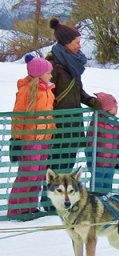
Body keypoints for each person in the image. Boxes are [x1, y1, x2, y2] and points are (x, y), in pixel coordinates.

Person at [45, 18, 99, 176]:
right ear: (66, 44)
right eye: (76, 42)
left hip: (73, 125)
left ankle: (60, 201)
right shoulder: (52, 66)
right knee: (54, 170)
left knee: (67, 168)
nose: (79, 45)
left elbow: (77, 90)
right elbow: (46, 95)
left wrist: (91, 101)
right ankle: (49, 200)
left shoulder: (72, 64)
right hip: (58, 128)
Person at [8, 56, 55, 217]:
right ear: (39, 74)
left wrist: (51, 131)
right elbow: (18, 116)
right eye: (48, 73)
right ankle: (16, 209)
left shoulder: (48, 91)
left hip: (44, 140)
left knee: (39, 174)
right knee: (29, 173)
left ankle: (30, 207)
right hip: (30, 140)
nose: (51, 76)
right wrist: (17, 139)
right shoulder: (26, 90)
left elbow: (48, 116)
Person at [87, 92, 119, 194]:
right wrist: (90, 159)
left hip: (111, 162)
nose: (117, 107)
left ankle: (106, 205)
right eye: (114, 106)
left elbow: (118, 141)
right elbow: (90, 142)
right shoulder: (97, 122)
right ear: (106, 108)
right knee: (97, 187)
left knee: (107, 188)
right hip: (99, 163)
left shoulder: (115, 123)